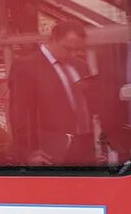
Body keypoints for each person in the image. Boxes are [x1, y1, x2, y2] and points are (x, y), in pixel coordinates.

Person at [9, 20, 97, 166]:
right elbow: (19, 114)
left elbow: (87, 103)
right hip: (50, 152)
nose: (73, 54)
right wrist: (28, 152)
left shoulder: (80, 65)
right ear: (52, 40)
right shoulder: (26, 66)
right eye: (68, 49)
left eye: (78, 49)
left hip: (84, 147)